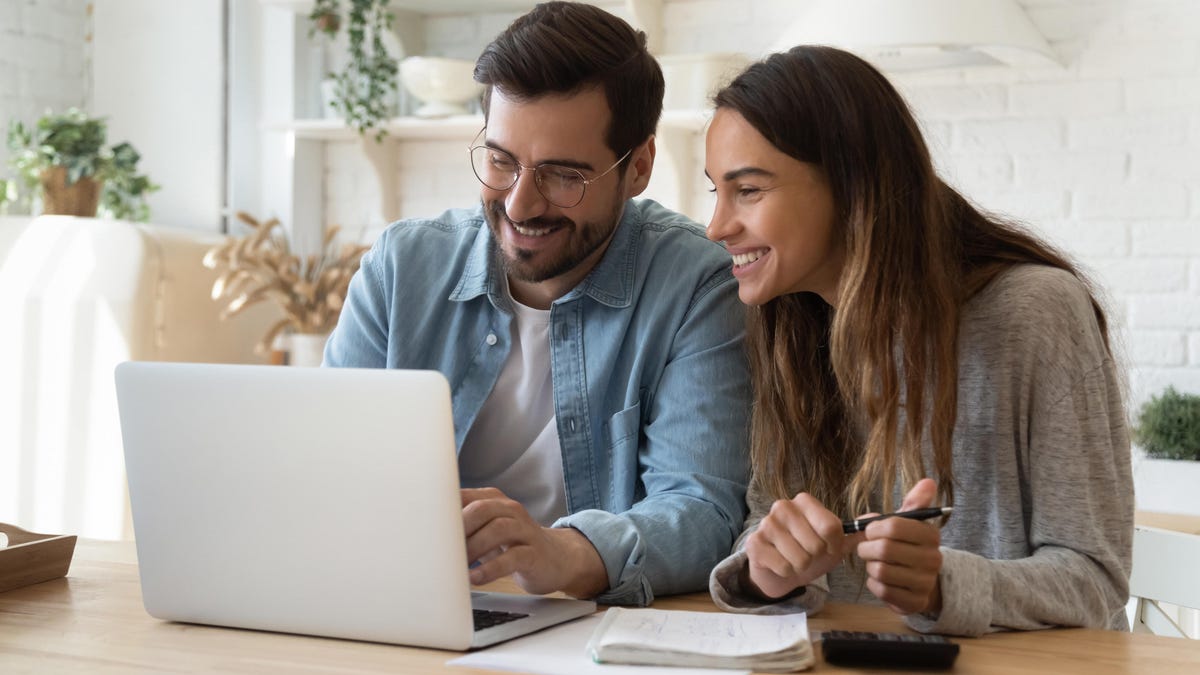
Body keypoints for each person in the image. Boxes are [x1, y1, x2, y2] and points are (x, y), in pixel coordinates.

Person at [324, 1, 750, 606]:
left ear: (639, 168)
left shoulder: (696, 287)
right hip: (404, 605)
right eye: (500, 160)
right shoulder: (400, 268)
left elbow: (702, 511)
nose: (521, 205)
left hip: (586, 629)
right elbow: (326, 469)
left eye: (563, 175)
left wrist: (561, 553)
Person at [704, 45, 1132, 636]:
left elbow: (1095, 580)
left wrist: (942, 586)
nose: (717, 226)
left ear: (851, 184)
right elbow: (767, 521)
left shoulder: (1036, 313)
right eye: (715, 192)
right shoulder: (792, 327)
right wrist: (768, 571)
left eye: (747, 190)